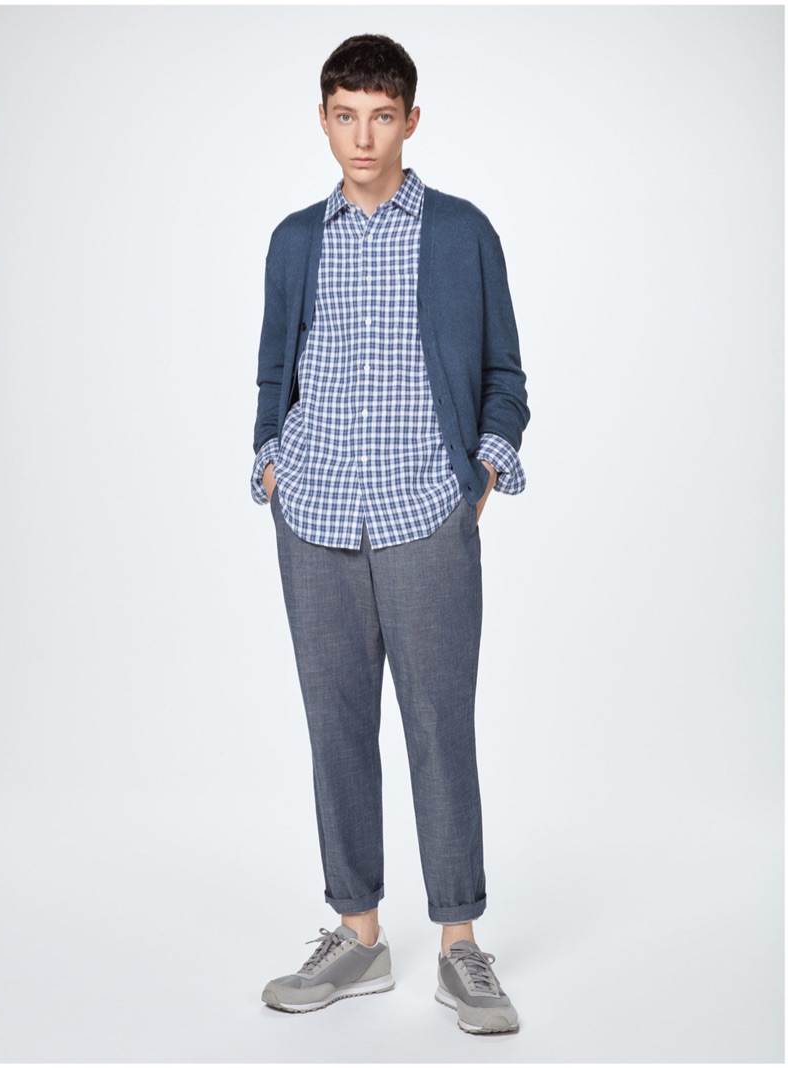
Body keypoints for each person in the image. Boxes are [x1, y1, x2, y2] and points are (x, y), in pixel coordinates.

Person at [250, 33, 530, 1034]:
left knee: (438, 729)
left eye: (380, 116)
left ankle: (460, 947)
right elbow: (272, 370)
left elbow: (504, 375)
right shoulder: (296, 239)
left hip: (424, 516)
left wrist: (480, 474)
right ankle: (358, 935)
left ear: (410, 121)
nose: (362, 136)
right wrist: (270, 461)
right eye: (344, 115)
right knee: (334, 730)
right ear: (324, 120)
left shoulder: (460, 232)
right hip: (315, 516)